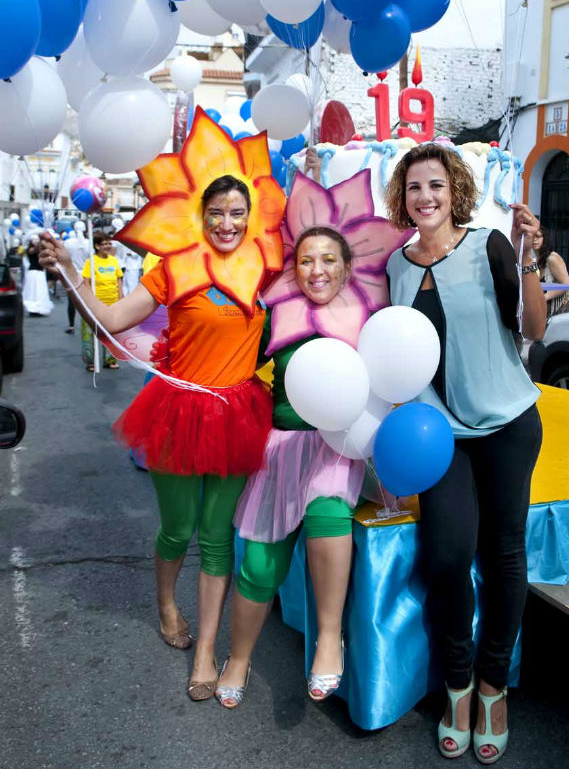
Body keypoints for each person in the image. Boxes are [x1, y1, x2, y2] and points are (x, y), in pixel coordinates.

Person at [39, 170, 281, 703]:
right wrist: (71, 272)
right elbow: (109, 317)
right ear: (202, 216)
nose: (226, 223)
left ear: (250, 218)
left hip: (237, 414)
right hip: (177, 413)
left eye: (237, 213)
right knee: (178, 529)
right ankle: (167, 603)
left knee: (218, 538)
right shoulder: (174, 269)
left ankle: (205, 652)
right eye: (216, 212)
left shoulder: (265, 267)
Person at [215, 170, 407, 709]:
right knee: (259, 565)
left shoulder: (369, 322)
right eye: (305, 260)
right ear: (292, 268)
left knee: (328, 515)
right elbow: (237, 371)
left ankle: (329, 639)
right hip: (281, 449)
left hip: (335, 449)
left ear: (347, 268)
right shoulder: (277, 315)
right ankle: (239, 657)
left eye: (328, 260)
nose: (316, 269)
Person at [384, 143, 546, 764]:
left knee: (504, 554)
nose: (425, 198)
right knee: (449, 555)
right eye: (414, 188)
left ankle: (492, 687)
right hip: (439, 435)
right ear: (402, 198)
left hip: (508, 423)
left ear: (455, 192)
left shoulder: (488, 246)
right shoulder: (396, 268)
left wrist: (531, 257)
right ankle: (457, 684)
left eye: (436, 186)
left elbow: (532, 330)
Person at [81, 233, 123, 371]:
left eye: (109, 243)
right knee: (90, 333)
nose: (107, 246)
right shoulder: (91, 261)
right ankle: (91, 361)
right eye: (104, 244)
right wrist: (90, 299)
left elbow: (119, 279)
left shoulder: (113, 260)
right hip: (95, 303)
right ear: (97, 246)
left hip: (112, 303)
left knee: (111, 333)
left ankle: (110, 360)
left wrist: (120, 296)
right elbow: (86, 281)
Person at [532, 226, 569, 319]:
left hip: (563, 308)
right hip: (549, 310)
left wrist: (544, 297)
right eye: (531, 237)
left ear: (545, 239)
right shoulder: (536, 260)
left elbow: (566, 284)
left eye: (538, 236)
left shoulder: (552, 258)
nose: (534, 239)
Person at [63, 227, 88, 333]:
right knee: (87, 301)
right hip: (86, 273)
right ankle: (88, 324)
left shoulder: (68, 243)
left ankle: (71, 325)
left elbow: (65, 258)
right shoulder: (87, 242)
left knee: (72, 301)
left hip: (73, 274)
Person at [22, 234, 53, 316]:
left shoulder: (40, 249)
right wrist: (40, 242)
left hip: (40, 272)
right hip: (33, 273)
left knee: (40, 291)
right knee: (32, 292)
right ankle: (32, 309)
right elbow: (34, 250)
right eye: (34, 240)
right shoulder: (30, 249)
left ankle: (40, 308)